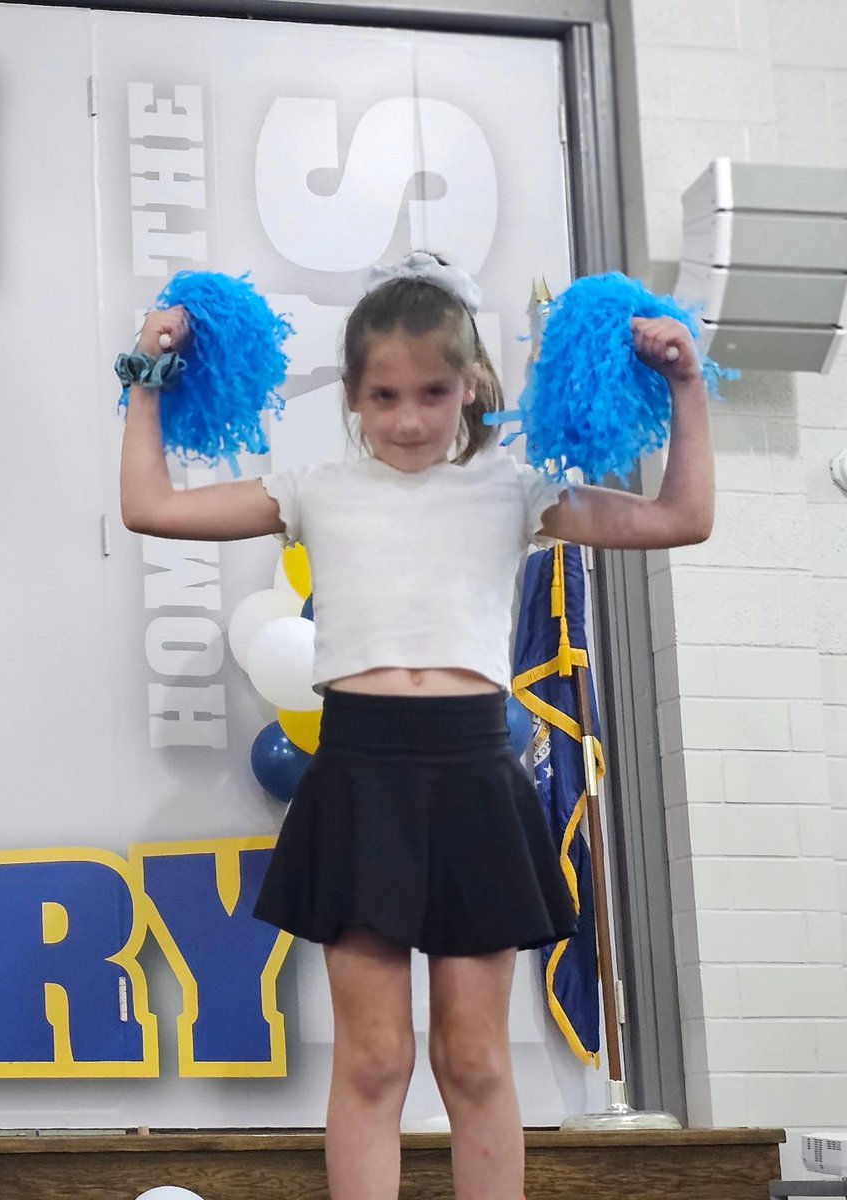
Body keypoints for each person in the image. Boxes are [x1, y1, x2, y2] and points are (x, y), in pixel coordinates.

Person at [118, 253, 714, 1200]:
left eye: (433, 392)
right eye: (384, 394)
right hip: (361, 777)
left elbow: (683, 517)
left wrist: (687, 385)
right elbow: (148, 507)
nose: (407, 418)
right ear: (352, 395)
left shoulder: (516, 490)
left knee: (475, 1062)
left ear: (472, 383)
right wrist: (147, 380)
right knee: (372, 1060)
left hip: (474, 777)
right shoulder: (314, 488)